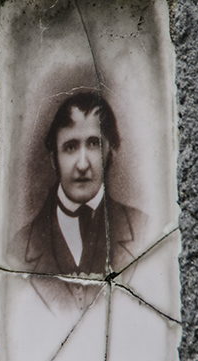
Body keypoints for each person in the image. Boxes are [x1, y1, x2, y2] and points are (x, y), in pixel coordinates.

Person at [13, 91, 146, 276]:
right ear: (54, 159)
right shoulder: (19, 248)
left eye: (94, 144)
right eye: (70, 147)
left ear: (111, 152)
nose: (82, 165)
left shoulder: (143, 230)